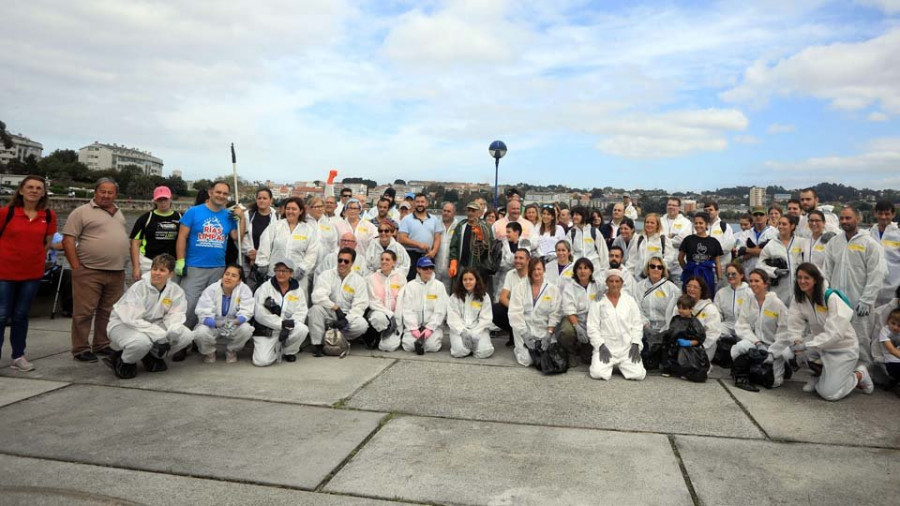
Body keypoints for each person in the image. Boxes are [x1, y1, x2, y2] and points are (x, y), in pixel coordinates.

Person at [63, 177, 130, 362]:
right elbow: (68, 240)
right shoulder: (81, 212)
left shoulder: (118, 212)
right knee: (84, 312)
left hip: (116, 271)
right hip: (89, 270)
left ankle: (101, 344)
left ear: (116, 194)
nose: (106, 195)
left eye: (110, 192)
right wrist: (76, 267)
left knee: (107, 311)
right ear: (95, 192)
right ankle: (80, 348)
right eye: (103, 191)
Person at [787, 263, 874, 400]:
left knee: (829, 394)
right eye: (799, 277)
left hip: (843, 349)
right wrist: (797, 340)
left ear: (816, 279)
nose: (802, 281)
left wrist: (807, 345)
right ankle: (818, 376)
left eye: (806, 277)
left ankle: (859, 375)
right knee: (788, 352)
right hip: (820, 345)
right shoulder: (799, 297)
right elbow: (794, 322)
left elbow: (836, 334)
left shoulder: (830, 297)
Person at [0, 175, 56, 371]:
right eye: (30, 187)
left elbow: (47, 243)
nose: (34, 190)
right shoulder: (5, 213)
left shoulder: (47, 216)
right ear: (21, 190)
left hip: (31, 273)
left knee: (21, 315)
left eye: (38, 188)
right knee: (1, 314)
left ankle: (18, 356)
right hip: (4, 273)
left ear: (43, 193)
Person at [103, 254, 192, 379]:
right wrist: (159, 335)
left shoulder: (176, 291)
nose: (156, 273)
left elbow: (176, 315)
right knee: (141, 342)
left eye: (162, 270)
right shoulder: (139, 288)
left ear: (170, 274)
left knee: (185, 335)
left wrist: (171, 332)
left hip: (152, 325)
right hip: (124, 324)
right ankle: (122, 360)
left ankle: (152, 356)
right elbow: (132, 319)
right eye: (154, 269)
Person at [175, 181, 244, 330]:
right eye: (218, 192)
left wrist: (241, 217)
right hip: (195, 266)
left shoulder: (228, 216)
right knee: (189, 304)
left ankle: (200, 336)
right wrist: (180, 260)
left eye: (225, 194)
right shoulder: (193, 212)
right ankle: (182, 337)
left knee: (211, 305)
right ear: (210, 192)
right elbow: (182, 237)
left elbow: (236, 236)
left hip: (218, 268)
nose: (221, 196)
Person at [823, 206, 887, 365]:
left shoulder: (869, 244)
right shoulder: (834, 242)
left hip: (860, 302)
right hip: (838, 301)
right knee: (838, 336)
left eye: (848, 218)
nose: (844, 221)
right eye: (842, 218)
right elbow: (826, 272)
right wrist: (826, 294)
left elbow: (877, 273)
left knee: (861, 338)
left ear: (857, 219)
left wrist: (867, 299)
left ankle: (864, 372)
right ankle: (840, 370)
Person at [731, 269, 791, 391]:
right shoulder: (749, 300)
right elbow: (742, 325)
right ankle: (745, 373)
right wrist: (757, 342)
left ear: (765, 283)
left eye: (757, 281)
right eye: (751, 281)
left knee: (773, 382)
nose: (753, 284)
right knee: (738, 348)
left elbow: (785, 332)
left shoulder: (776, 303)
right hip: (756, 342)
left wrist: (772, 353)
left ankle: (784, 367)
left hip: (773, 346)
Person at [309, 247, 369, 357]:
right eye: (340, 260)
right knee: (315, 309)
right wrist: (335, 307)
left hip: (346, 316)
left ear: (352, 263)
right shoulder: (326, 275)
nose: (342, 263)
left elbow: (360, 305)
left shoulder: (358, 280)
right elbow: (317, 297)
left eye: (346, 261)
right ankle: (318, 344)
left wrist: (346, 319)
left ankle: (339, 339)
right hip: (328, 313)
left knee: (362, 325)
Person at [587, 268, 645, 381]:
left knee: (638, 374)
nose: (614, 284)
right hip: (606, 348)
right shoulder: (598, 301)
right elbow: (592, 327)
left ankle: (622, 365)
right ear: (606, 283)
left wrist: (635, 344)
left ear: (622, 283)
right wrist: (600, 345)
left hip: (626, 348)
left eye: (617, 281)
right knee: (597, 373)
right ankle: (610, 365)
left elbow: (637, 325)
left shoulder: (630, 300)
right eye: (611, 281)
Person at [192, 264, 254, 364]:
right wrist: (216, 323)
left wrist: (235, 321)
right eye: (227, 274)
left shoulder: (244, 290)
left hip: (233, 324)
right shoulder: (211, 289)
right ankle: (209, 352)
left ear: (239, 280)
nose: (228, 278)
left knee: (246, 329)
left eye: (234, 276)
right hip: (213, 324)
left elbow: (247, 311)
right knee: (200, 333)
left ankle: (231, 350)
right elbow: (202, 313)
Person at [254, 197, 319, 292]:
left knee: (295, 303)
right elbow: (264, 246)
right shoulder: (275, 226)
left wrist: (303, 269)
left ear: (300, 211)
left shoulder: (308, 230)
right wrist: (263, 264)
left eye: (294, 209)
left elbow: (312, 253)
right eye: (288, 208)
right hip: (275, 274)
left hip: (297, 277)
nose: (290, 211)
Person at [252, 258, 309, 365]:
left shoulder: (298, 291)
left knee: (302, 329)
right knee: (261, 361)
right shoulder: (265, 288)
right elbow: (260, 314)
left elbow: (301, 312)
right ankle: (275, 348)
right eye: (278, 270)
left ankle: (289, 351)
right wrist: (282, 324)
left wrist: (289, 326)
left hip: (288, 328)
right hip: (267, 330)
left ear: (291, 273)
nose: (280, 274)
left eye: (284, 271)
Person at [508, 257, 562, 367]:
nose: (536, 272)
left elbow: (555, 313)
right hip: (524, 329)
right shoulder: (520, 287)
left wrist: (549, 334)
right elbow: (515, 313)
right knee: (527, 360)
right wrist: (524, 334)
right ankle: (518, 349)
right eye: (533, 269)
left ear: (544, 270)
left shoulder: (552, 289)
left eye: (539, 269)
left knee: (547, 359)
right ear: (529, 270)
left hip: (544, 330)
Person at [634, 256, 680, 368]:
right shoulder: (639, 286)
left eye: (659, 267)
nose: (656, 269)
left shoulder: (672, 288)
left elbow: (676, 311)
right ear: (647, 269)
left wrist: (666, 328)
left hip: (665, 329)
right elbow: (636, 308)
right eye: (652, 266)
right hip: (645, 328)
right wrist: (645, 324)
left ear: (663, 270)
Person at [129, 186, 182, 281]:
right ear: (155, 201)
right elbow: (134, 243)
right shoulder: (145, 218)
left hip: (171, 264)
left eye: (165, 199)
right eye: (159, 200)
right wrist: (136, 267)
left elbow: (185, 240)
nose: (162, 202)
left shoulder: (180, 217)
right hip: (148, 263)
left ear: (171, 199)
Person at [558, 258, 602, 366]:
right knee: (566, 332)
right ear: (575, 271)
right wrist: (577, 327)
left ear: (591, 271)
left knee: (588, 360)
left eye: (586, 268)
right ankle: (570, 353)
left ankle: (583, 349)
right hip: (574, 319)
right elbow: (569, 310)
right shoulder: (570, 287)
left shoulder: (597, 285)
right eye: (579, 268)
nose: (582, 271)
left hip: (592, 321)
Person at [400, 257, 449, 355]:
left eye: (431, 267)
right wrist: (413, 328)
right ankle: (414, 338)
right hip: (415, 326)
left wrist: (430, 328)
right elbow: (407, 309)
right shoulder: (410, 286)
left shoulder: (439, 286)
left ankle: (425, 340)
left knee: (433, 346)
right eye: (425, 268)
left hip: (432, 327)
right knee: (408, 346)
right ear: (418, 269)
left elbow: (441, 310)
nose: (428, 270)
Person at [668, 277, 722, 362]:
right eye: (689, 286)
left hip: (702, 348)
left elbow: (713, 333)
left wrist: (694, 344)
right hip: (681, 346)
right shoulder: (679, 306)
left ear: (702, 290)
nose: (691, 289)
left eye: (695, 287)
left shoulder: (710, 309)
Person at [758, 214, 807, 306]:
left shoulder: (802, 242)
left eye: (784, 224)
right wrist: (774, 271)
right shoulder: (771, 245)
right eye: (779, 224)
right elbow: (759, 266)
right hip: (778, 290)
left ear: (792, 226)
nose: (780, 226)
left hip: (799, 289)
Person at [447, 268, 494, 359]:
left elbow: (486, 318)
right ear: (461, 281)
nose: (468, 282)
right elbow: (453, 317)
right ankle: (465, 347)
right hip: (460, 329)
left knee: (484, 351)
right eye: (465, 279)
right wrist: (462, 332)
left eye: (471, 279)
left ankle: (474, 347)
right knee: (459, 352)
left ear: (476, 280)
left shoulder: (484, 296)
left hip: (478, 329)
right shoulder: (454, 297)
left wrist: (476, 333)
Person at [659, 294, 707, 382]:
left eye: (684, 308)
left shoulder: (694, 322)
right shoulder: (675, 319)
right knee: (666, 349)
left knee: (683, 355)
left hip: (686, 348)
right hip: (674, 346)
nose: (680, 310)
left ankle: (685, 371)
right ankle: (668, 368)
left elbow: (700, 338)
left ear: (691, 309)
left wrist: (688, 343)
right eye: (679, 308)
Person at [448, 201, 494, 291]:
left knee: (477, 291)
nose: (470, 213)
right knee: (459, 290)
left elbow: (490, 247)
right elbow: (453, 245)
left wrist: (482, 238)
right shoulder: (461, 225)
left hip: (478, 267)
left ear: (479, 213)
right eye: (469, 210)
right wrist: (453, 261)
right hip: (462, 265)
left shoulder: (485, 227)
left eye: (473, 211)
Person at [366, 251, 406, 352]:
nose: (384, 262)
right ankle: (379, 334)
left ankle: (397, 334)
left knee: (388, 347)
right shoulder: (372, 278)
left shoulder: (401, 277)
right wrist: (389, 314)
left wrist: (396, 316)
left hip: (397, 315)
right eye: (382, 259)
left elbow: (403, 299)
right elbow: (373, 302)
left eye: (387, 259)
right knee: (378, 318)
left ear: (394, 262)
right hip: (379, 312)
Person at [398, 193, 442, 282]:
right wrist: (418, 245)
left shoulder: (434, 219)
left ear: (427, 203)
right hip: (411, 255)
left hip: (428, 255)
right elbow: (401, 238)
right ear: (414, 203)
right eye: (417, 202)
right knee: (410, 280)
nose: (420, 204)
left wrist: (434, 251)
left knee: (428, 281)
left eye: (422, 202)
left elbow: (437, 237)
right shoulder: (406, 219)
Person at [493, 248, 530, 348]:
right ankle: (513, 332)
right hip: (515, 309)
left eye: (521, 258)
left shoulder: (533, 275)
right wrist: (516, 309)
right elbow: (503, 298)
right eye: (516, 258)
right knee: (495, 310)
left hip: (529, 311)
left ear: (528, 260)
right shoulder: (510, 274)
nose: (517, 260)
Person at [678, 212, 723, 294]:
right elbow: (680, 258)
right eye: (696, 223)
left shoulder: (714, 242)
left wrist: (720, 279)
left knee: (707, 296)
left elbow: (718, 262)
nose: (698, 225)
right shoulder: (688, 240)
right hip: (691, 274)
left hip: (707, 275)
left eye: (701, 223)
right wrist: (687, 269)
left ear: (707, 224)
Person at [242, 188, 278, 284]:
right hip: (249, 261)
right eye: (259, 198)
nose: (262, 200)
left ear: (271, 200)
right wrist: (250, 252)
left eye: (265, 198)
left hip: (269, 262)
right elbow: (244, 236)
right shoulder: (247, 215)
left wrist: (260, 254)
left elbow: (277, 240)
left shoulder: (277, 217)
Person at [568, 206, 609, 283]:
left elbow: (604, 253)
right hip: (578, 272)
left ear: (584, 216)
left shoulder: (594, 232)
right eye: (573, 215)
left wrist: (604, 273)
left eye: (577, 215)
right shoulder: (571, 233)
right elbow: (569, 254)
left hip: (595, 271)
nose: (574, 217)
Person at [870, 201, 900, 306]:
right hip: (872, 291)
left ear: (893, 214)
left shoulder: (898, 234)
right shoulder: (868, 234)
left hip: (894, 290)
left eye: (887, 214)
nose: (883, 217)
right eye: (880, 213)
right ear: (875, 213)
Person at [715, 263, 752, 341]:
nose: (730, 276)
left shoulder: (749, 292)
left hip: (745, 325)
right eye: (728, 274)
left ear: (741, 275)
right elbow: (717, 312)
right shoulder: (721, 293)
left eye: (733, 274)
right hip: (728, 325)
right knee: (713, 332)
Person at [738, 206, 778, 277]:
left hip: (767, 273)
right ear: (752, 217)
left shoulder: (774, 232)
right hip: (748, 273)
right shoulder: (745, 234)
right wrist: (761, 250)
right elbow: (740, 254)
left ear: (767, 217)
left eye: (761, 214)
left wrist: (747, 250)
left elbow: (771, 252)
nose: (758, 216)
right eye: (755, 215)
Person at [631, 213, 674, 279]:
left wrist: (655, 268)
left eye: (652, 223)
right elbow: (632, 260)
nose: (649, 225)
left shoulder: (663, 240)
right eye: (647, 222)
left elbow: (669, 258)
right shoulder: (639, 239)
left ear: (657, 225)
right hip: (638, 279)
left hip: (657, 279)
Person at [659, 198, 693, 281]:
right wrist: (672, 236)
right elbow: (655, 238)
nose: (671, 207)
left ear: (679, 207)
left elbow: (683, 240)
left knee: (678, 292)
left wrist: (664, 239)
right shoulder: (659, 221)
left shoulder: (686, 222)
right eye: (669, 205)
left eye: (674, 205)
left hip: (678, 266)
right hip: (661, 264)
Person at [306, 196, 338, 281]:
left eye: (321, 206)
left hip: (324, 266)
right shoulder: (304, 224)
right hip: (306, 267)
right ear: (309, 208)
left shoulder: (329, 225)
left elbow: (334, 245)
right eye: (316, 207)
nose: (320, 209)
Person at [704, 201, 735, 266]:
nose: (708, 212)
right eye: (706, 210)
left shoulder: (725, 226)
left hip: (722, 265)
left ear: (717, 211)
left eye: (710, 210)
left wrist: (712, 254)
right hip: (705, 266)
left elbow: (728, 245)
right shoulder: (702, 226)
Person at [435, 202, 458, 292]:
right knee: (435, 292)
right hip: (436, 266)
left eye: (449, 211)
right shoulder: (436, 224)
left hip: (450, 268)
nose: (446, 213)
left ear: (454, 213)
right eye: (444, 210)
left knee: (448, 293)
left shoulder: (458, 227)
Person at [876, 307, 900, 384]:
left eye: (899, 326)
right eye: (893, 323)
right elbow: (891, 350)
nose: (895, 327)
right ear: (888, 321)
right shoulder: (885, 331)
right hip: (892, 362)